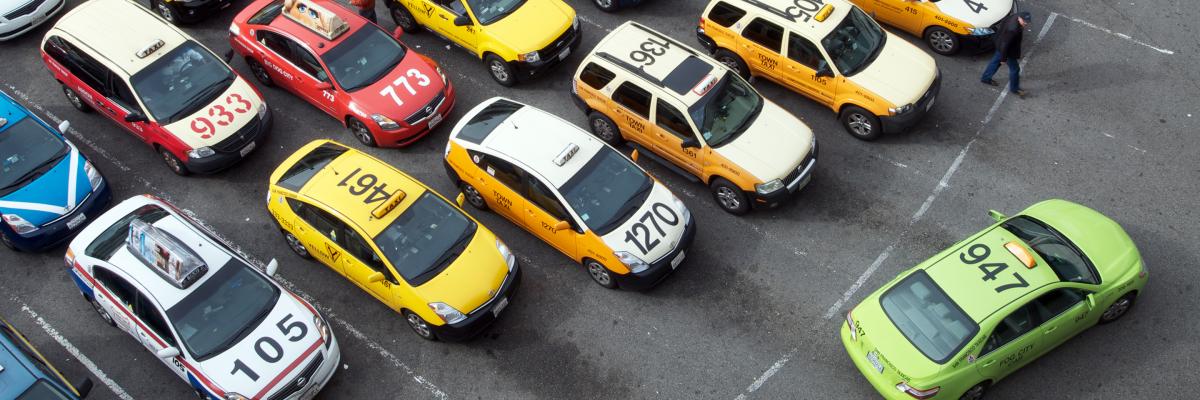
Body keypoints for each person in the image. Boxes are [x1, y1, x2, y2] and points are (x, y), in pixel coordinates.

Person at [981, 12, 1031, 98]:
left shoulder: (1014, 16)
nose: (1026, 23)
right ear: (1019, 18)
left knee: (995, 62)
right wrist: (1003, 59)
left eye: (1027, 21)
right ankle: (1015, 89)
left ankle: (985, 78)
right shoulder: (1013, 29)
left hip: (999, 43)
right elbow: (1005, 45)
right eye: (1024, 21)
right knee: (1015, 69)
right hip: (1007, 52)